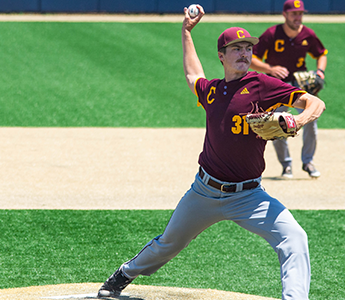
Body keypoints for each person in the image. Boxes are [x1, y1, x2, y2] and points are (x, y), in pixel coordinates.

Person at [97, 5, 325, 300]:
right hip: (204, 192)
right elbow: (193, 75)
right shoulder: (213, 91)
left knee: (295, 237)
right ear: (222, 56)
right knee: (169, 243)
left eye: (247, 48)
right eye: (236, 49)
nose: (244, 53)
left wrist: (299, 119)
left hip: (249, 196)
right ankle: (125, 274)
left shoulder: (262, 85)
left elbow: (314, 103)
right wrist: (186, 32)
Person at [250, 0, 328, 179]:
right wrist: (270, 69)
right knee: (276, 123)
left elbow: (321, 54)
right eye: (294, 14)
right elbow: (252, 58)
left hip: (300, 85)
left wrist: (320, 72)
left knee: (311, 120)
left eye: (300, 13)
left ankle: (308, 161)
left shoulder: (308, 34)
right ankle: (286, 165)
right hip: (276, 86)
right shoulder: (272, 33)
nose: (298, 17)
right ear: (285, 15)